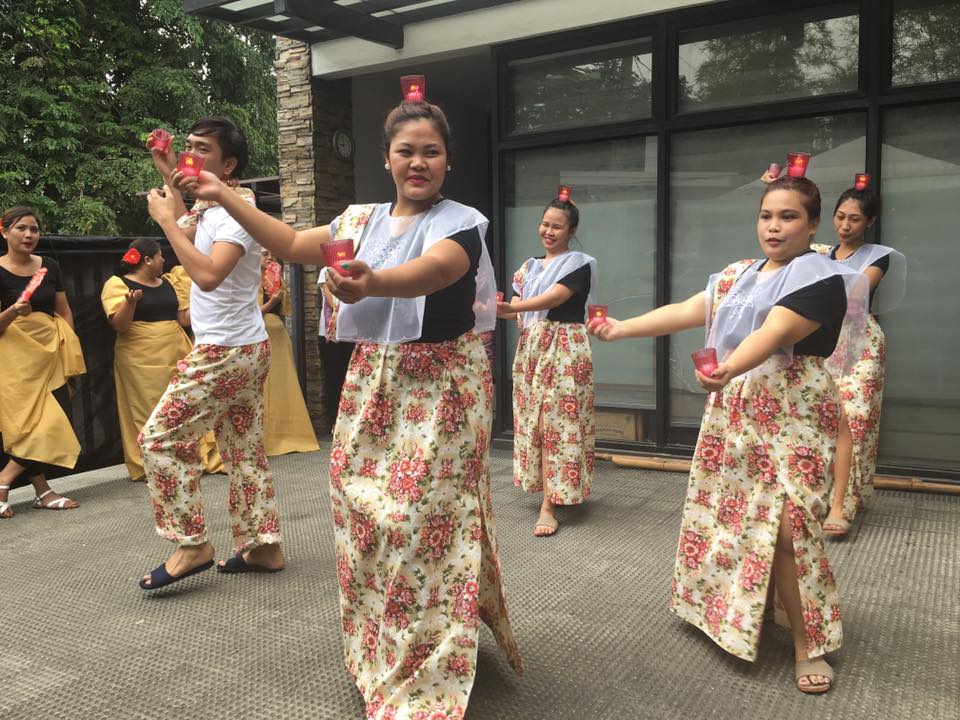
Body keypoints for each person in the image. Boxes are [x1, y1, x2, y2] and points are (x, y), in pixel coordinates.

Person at [175, 79, 523, 719]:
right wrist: (224, 193)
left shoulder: (463, 222)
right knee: (360, 508)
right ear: (387, 158)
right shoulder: (358, 220)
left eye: (432, 152)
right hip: (375, 382)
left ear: (448, 161)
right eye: (406, 151)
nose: (419, 162)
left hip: (445, 389)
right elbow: (288, 243)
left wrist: (375, 283)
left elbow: (440, 269)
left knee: (420, 522)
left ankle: (425, 671)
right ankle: (385, 641)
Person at [590, 174, 868, 694]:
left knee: (788, 525)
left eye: (788, 217)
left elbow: (775, 333)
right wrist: (622, 328)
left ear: (812, 224)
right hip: (735, 412)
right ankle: (734, 608)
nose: (774, 226)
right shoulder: (741, 275)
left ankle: (810, 641)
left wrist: (726, 368)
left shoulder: (823, 278)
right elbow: (690, 310)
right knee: (734, 516)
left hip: (794, 411)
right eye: (767, 215)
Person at [138, 116, 284, 590]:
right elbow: (187, 224)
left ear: (230, 164)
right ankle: (264, 546)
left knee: (159, 439)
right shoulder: (212, 208)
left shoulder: (235, 210)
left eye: (203, 150)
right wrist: (167, 175)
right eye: (188, 147)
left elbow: (206, 274)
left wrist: (163, 221)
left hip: (225, 349)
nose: (189, 156)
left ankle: (192, 543)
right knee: (242, 450)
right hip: (240, 345)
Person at [497, 188, 596, 537]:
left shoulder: (578, 264)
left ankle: (550, 506)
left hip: (565, 347)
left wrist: (513, 308)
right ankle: (550, 490)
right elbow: (515, 303)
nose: (549, 231)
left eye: (557, 226)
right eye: (544, 224)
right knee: (534, 421)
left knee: (557, 419)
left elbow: (555, 298)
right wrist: (499, 307)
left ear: (571, 231)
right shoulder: (529, 267)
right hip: (533, 348)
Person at [815, 183, 905, 536]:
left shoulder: (877, 256)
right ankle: (821, 496)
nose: (845, 225)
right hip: (824, 339)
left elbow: (856, 290)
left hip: (861, 342)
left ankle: (842, 505)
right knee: (823, 418)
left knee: (854, 419)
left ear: (869, 221)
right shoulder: (818, 252)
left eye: (854, 219)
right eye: (840, 217)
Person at [100, 238, 222, 481]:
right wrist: (130, 303)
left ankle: (189, 457)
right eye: (159, 256)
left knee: (184, 403)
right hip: (138, 356)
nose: (163, 260)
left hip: (175, 349)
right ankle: (151, 464)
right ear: (147, 260)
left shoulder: (168, 282)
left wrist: (208, 302)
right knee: (145, 408)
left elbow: (183, 319)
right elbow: (120, 325)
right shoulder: (117, 284)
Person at [0, 206, 85, 519]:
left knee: (55, 416)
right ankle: (41, 491)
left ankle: (9, 481)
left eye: (34, 229)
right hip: (15, 358)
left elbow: (63, 311)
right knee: (27, 424)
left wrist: (68, 346)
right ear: (5, 231)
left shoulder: (48, 266)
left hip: (52, 352)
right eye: (21, 228)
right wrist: (12, 311)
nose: (29, 235)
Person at [258, 250, 320, 455]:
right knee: (264, 384)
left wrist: (279, 291)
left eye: (272, 255)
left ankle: (289, 433)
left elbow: (286, 310)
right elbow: (251, 312)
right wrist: (271, 302)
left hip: (277, 334)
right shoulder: (248, 280)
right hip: (259, 335)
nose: (269, 258)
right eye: (264, 254)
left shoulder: (274, 277)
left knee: (282, 382)